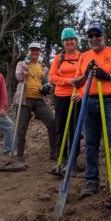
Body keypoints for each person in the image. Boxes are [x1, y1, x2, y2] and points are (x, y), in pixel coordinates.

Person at [71, 21, 111, 200]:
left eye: (98, 35)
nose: (94, 38)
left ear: (104, 37)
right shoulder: (84, 57)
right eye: (90, 36)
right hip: (89, 102)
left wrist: (107, 76)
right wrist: (85, 75)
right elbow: (75, 82)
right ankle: (91, 182)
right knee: (90, 143)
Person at [13, 42, 55, 165]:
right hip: (24, 100)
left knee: (52, 121)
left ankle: (54, 152)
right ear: (28, 51)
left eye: (37, 50)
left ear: (40, 52)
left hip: (39, 99)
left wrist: (47, 87)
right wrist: (26, 64)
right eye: (32, 50)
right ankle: (19, 157)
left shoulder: (43, 67)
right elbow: (19, 77)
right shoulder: (21, 64)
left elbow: (47, 82)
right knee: (21, 128)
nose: (34, 52)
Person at [49, 28, 82, 171]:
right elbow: (52, 77)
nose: (69, 42)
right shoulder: (58, 58)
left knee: (74, 129)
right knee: (60, 127)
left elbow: (85, 77)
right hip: (61, 96)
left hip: (76, 97)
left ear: (76, 41)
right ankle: (60, 158)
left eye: (72, 39)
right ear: (63, 42)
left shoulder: (82, 57)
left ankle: (72, 159)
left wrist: (80, 92)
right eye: (66, 40)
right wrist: (70, 81)